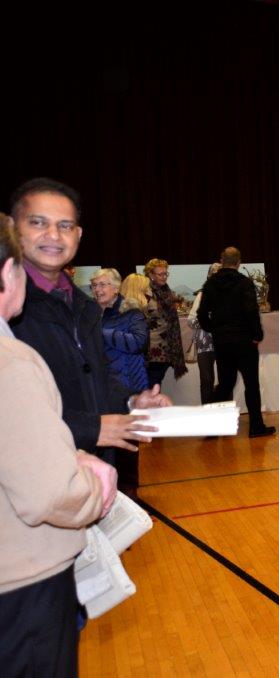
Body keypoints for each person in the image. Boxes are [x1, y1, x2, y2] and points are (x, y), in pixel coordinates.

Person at [0, 212, 118, 676]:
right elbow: (48, 495)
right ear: (8, 273)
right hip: (22, 585)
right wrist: (94, 487)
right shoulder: (11, 362)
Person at [10, 177, 171, 465]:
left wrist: (133, 400)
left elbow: (99, 376)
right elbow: (12, 410)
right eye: (38, 222)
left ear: (78, 235)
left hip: (94, 469)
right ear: (14, 230)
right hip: (35, 472)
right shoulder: (9, 307)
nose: (53, 235)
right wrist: (92, 429)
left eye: (65, 225)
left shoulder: (84, 307)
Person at [197, 246, 275, 438]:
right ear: (239, 263)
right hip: (245, 341)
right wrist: (257, 335)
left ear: (221, 260)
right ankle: (256, 427)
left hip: (222, 341)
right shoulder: (244, 283)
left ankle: (210, 428)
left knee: (225, 385)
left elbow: (201, 314)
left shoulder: (210, 284)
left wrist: (215, 329)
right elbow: (251, 312)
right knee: (251, 384)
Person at [93, 268, 148, 393]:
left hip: (128, 384)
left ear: (116, 288)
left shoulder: (131, 312)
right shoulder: (88, 314)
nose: (97, 289)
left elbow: (139, 343)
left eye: (102, 285)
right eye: (94, 285)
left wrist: (102, 333)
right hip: (100, 385)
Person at [144, 257, 187, 388]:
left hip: (168, 347)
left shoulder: (166, 291)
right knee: (153, 384)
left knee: (156, 382)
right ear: (151, 275)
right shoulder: (146, 292)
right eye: (160, 274)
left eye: (165, 273)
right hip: (153, 349)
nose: (164, 277)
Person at [187, 263, 221, 405]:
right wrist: (210, 318)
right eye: (214, 274)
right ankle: (207, 413)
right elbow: (191, 321)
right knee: (207, 381)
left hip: (225, 343)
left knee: (226, 381)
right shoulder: (202, 295)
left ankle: (226, 414)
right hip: (205, 344)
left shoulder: (231, 295)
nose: (217, 277)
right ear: (209, 276)